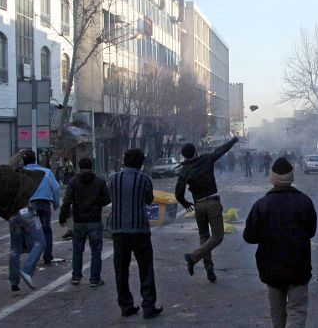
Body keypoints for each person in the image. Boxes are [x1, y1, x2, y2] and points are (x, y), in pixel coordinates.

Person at [244, 158, 317, 328]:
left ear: (272, 178)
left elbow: (249, 237)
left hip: (271, 268)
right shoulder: (304, 202)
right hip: (299, 267)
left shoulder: (261, 205)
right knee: (297, 312)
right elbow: (311, 232)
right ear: (291, 178)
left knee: (277, 313)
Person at [0, 150, 46, 291]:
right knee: (40, 241)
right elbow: (12, 163)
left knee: (14, 249)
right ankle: (27, 271)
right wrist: (21, 153)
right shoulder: (4, 172)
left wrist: (8, 217)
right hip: (26, 212)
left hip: (13, 218)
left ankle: (14, 281)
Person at [175, 137, 239, 282]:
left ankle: (209, 267)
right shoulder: (205, 160)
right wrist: (233, 141)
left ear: (184, 155)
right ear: (196, 151)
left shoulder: (185, 170)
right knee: (217, 236)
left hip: (198, 205)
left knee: (204, 236)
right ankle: (194, 256)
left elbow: (178, 193)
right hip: (212, 202)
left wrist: (185, 203)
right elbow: (220, 150)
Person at [109, 149, 163, 319]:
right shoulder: (144, 179)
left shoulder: (113, 179)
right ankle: (148, 306)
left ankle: (126, 306)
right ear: (141, 163)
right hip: (140, 230)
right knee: (145, 268)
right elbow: (148, 200)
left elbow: (110, 197)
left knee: (121, 269)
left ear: (124, 161)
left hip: (118, 230)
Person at [59, 158, 110, 287]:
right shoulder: (99, 181)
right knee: (96, 251)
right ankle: (95, 279)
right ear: (91, 166)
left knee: (77, 250)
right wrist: (97, 204)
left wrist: (62, 217)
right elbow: (107, 199)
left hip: (79, 221)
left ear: (79, 167)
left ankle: (76, 277)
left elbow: (67, 201)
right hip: (94, 220)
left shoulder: (73, 182)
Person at [22, 150, 61, 265]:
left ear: (24, 161)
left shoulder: (21, 173)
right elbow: (56, 188)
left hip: (29, 205)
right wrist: (56, 203)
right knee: (46, 230)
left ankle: (32, 255)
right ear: (35, 160)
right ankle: (48, 256)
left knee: (30, 229)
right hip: (44, 204)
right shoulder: (46, 172)